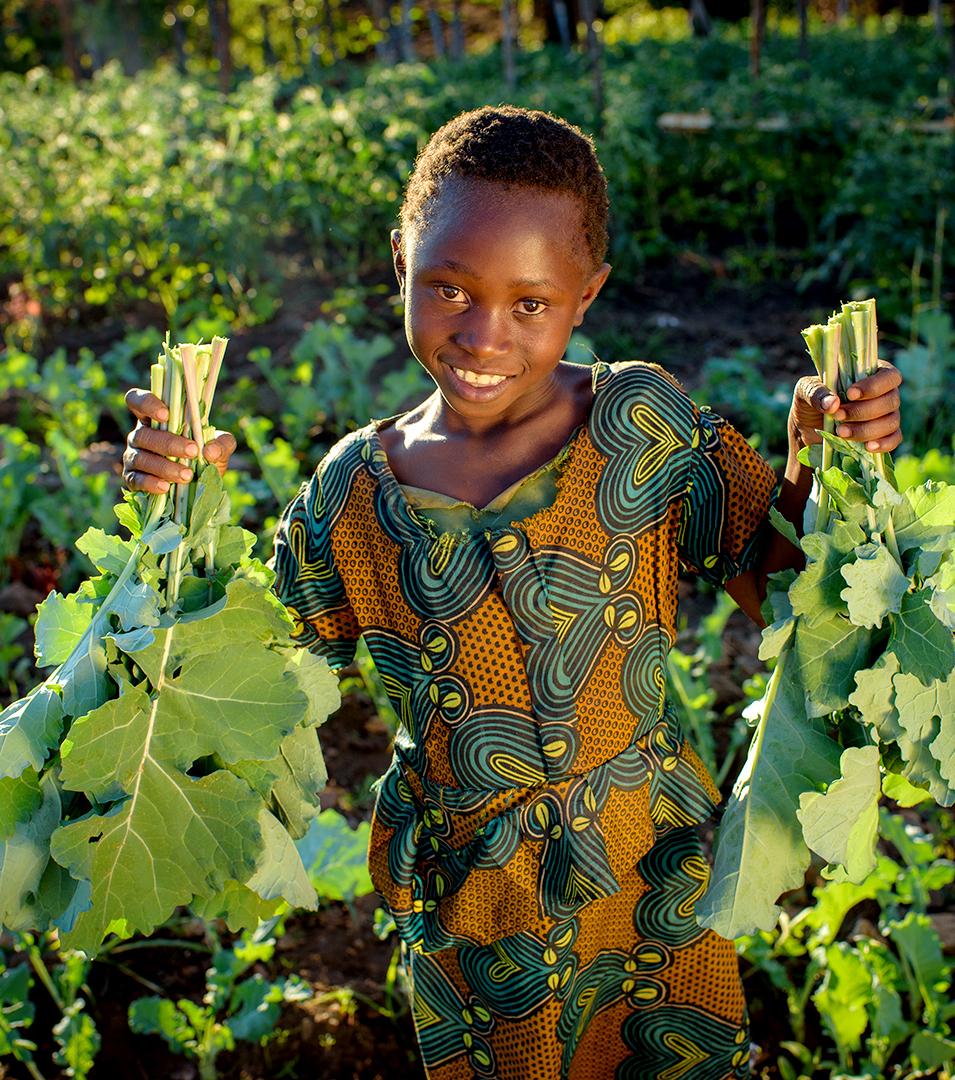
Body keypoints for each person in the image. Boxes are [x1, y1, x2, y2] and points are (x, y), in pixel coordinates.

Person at [122, 106, 902, 1080]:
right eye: (450, 288)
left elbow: (782, 593)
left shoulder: (639, 423)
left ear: (586, 295)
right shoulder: (349, 496)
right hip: (472, 901)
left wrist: (818, 466)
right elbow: (253, 695)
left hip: (647, 865)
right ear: (401, 259)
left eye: (530, 303)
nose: (484, 335)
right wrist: (176, 520)